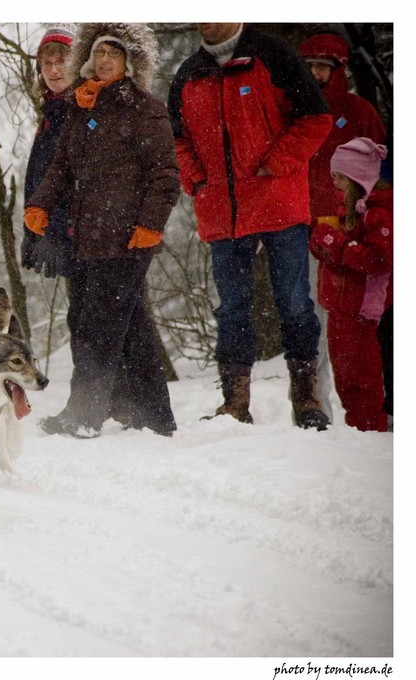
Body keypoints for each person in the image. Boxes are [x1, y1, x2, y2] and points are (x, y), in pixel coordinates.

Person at [167, 23, 333, 429]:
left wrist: (276, 164)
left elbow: (316, 118)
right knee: (232, 310)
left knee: (294, 303)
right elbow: (175, 138)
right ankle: (235, 404)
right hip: (222, 212)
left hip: (279, 202)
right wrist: (198, 180)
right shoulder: (188, 73)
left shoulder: (272, 54)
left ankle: (306, 399)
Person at [25, 23, 179, 438]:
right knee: (129, 325)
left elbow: (166, 176)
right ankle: (153, 415)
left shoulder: (144, 108)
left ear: (129, 62)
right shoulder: (81, 105)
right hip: (87, 235)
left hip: (127, 238)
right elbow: (62, 166)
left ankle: (85, 414)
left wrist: (149, 226)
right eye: (99, 53)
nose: (105, 60)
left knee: (98, 326)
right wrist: (40, 203)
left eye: (114, 53)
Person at [299, 33, 387, 421]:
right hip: (304, 228)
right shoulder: (292, 107)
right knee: (313, 326)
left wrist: (364, 223)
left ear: (339, 69)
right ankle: (316, 410)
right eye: (310, 65)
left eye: (323, 65)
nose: (315, 72)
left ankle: (373, 414)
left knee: (363, 330)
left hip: (354, 232)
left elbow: (382, 174)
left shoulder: (359, 110)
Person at [309, 138, 391, 431]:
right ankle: (358, 429)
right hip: (338, 307)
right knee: (345, 377)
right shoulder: (343, 210)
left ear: (358, 178)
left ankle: (372, 429)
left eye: (340, 177)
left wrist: (339, 244)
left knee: (363, 378)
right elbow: (329, 252)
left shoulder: (379, 213)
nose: (335, 183)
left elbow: (378, 260)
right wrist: (322, 239)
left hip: (361, 311)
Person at [21, 24, 77, 279]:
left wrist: (55, 232)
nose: (53, 70)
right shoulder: (51, 114)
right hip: (68, 237)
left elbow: (78, 180)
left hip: (92, 239)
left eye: (61, 62)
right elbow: (39, 177)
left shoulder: (81, 111)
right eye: (47, 63)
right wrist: (31, 231)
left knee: (93, 318)